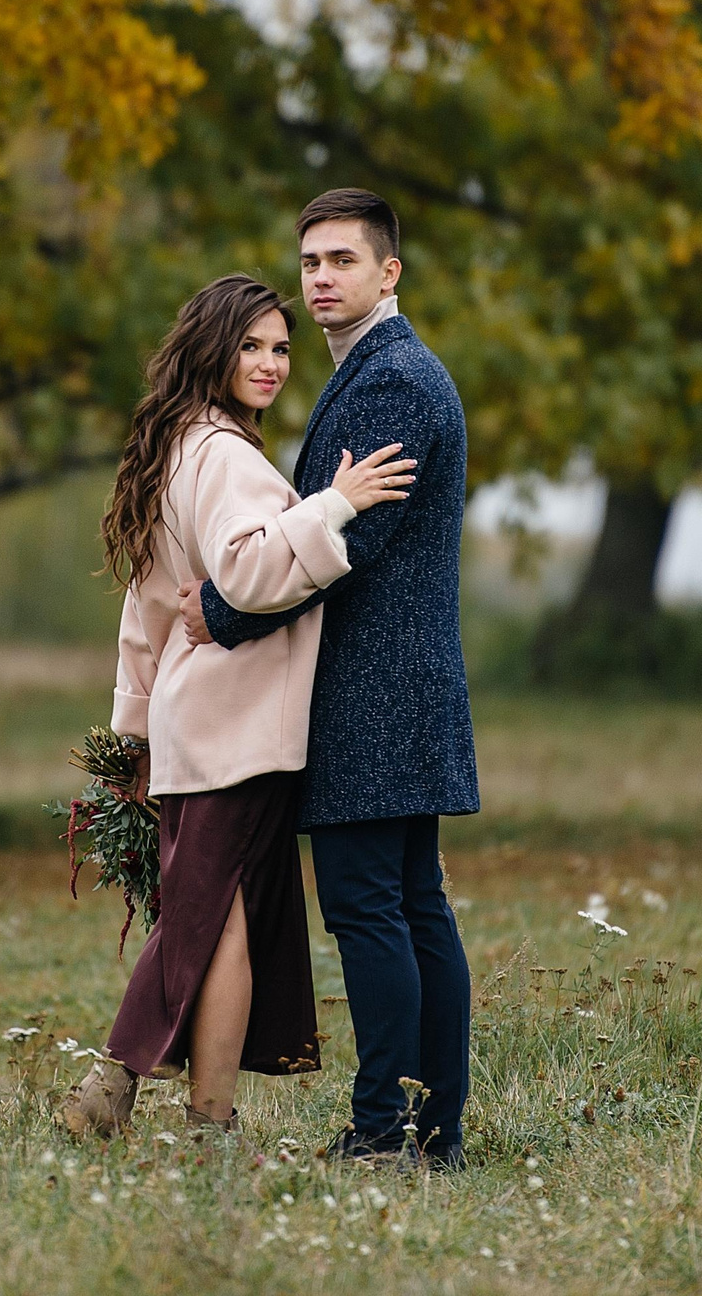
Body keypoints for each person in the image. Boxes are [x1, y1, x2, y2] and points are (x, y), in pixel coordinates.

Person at [58, 275, 416, 1138]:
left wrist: (134, 733)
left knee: (214, 914)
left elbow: (142, 613)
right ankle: (169, 1108)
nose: (269, 363)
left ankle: (153, 1103)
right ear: (211, 349)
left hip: (195, 723)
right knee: (215, 920)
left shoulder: (177, 443)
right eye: (250, 345)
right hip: (239, 727)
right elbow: (250, 575)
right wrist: (338, 504)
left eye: (280, 348)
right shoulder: (224, 456)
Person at [181, 188, 480, 1165]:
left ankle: (387, 1129)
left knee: (372, 909)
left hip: (374, 689)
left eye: (341, 261)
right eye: (310, 261)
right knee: (411, 903)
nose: (319, 278)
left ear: (387, 272)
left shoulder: (392, 380)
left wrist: (217, 612)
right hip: (401, 683)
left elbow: (348, 534)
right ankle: (430, 1133)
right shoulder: (385, 370)